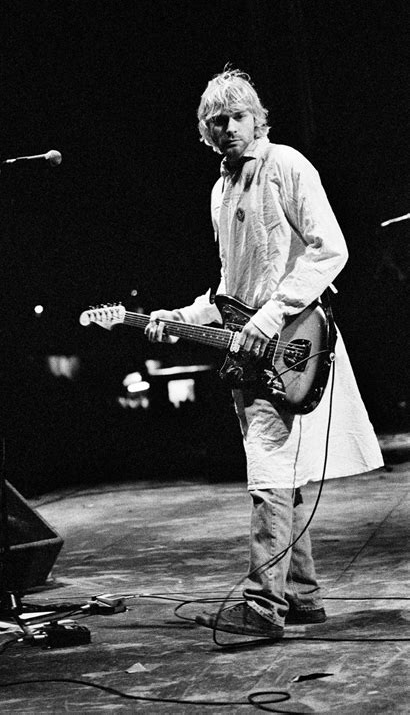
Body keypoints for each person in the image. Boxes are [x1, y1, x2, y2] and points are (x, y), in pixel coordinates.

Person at [145, 68, 383, 639]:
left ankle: (262, 607)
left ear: (257, 117)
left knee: (269, 473)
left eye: (237, 116)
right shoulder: (220, 190)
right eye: (216, 121)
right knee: (287, 474)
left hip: (293, 340)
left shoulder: (287, 165)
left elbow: (331, 250)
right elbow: (230, 290)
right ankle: (302, 596)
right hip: (251, 351)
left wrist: (271, 318)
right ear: (205, 130)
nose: (227, 128)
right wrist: (180, 319)